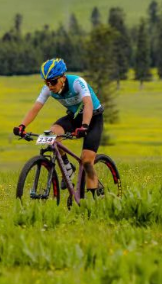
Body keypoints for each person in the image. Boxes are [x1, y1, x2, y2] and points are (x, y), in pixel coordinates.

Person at [13, 58, 105, 196]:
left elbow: (88, 104)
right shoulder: (48, 89)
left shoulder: (77, 83)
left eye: (53, 82)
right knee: (51, 134)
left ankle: (94, 196)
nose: (50, 86)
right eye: (46, 82)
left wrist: (85, 126)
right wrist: (22, 126)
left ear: (62, 77)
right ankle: (67, 168)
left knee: (86, 161)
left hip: (93, 118)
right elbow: (36, 108)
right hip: (74, 117)